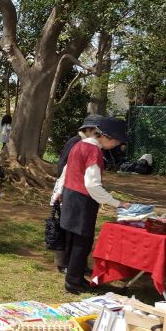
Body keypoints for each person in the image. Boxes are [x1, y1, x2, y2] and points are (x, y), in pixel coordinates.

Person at [52, 117, 132, 294]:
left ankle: (76, 278)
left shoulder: (79, 145)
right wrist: (117, 203)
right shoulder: (93, 151)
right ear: (106, 137)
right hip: (82, 199)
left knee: (73, 240)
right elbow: (92, 185)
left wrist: (59, 191)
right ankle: (73, 282)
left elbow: (66, 171)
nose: (116, 144)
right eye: (116, 141)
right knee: (83, 242)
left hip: (70, 195)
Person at [53, 114, 102, 274]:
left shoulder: (90, 145)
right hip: (70, 191)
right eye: (96, 131)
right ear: (88, 129)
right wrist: (61, 191)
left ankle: (76, 265)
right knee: (69, 231)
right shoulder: (76, 142)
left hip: (76, 191)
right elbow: (64, 168)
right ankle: (65, 264)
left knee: (75, 232)